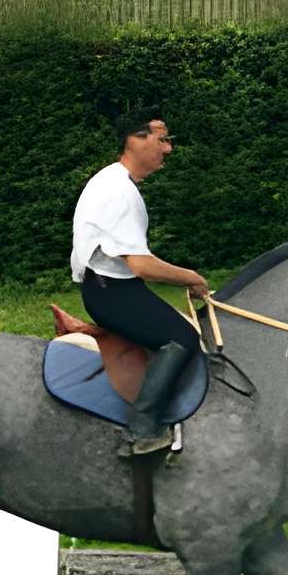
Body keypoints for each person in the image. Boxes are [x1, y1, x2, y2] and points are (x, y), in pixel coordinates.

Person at [71, 112, 210, 459]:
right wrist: (192, 277)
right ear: (136, 139)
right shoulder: (119, 191)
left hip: (114, 287)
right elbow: (141, 265)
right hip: (112, 293)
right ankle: (143, 429)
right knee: (182, 338)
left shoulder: (113, 181)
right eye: (162, 140)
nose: (169, 149)